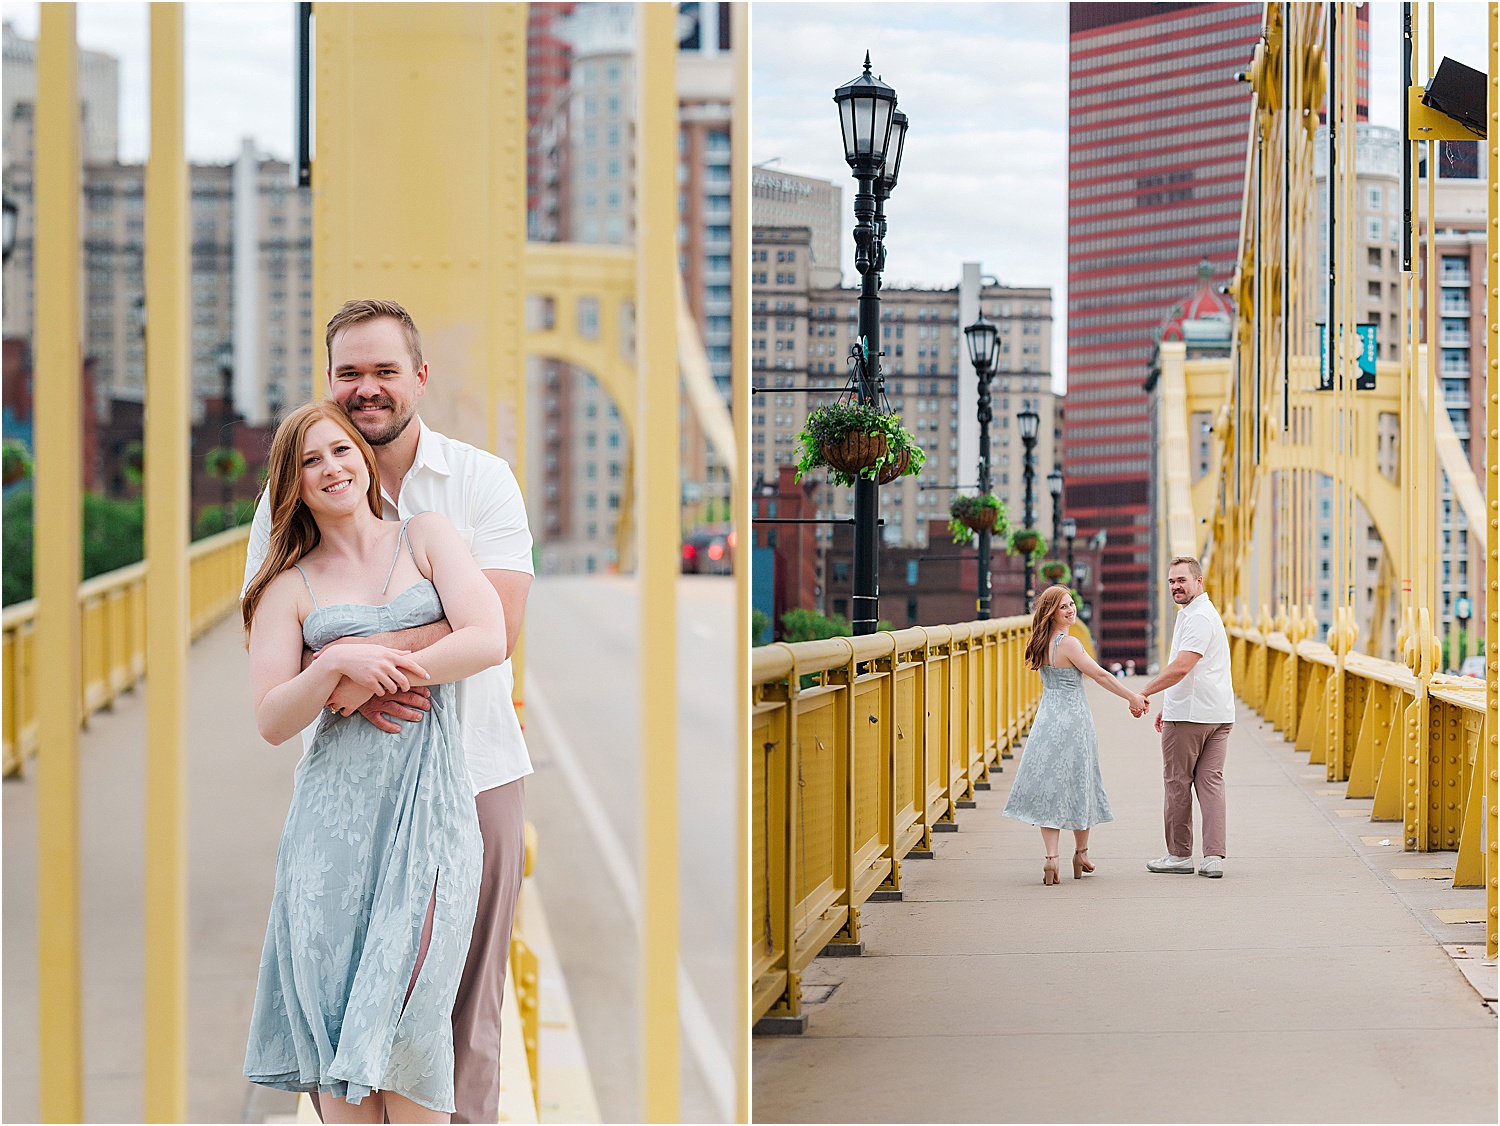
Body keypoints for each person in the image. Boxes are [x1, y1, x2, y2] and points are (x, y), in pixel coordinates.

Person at [242, 299, 535, 1123]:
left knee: (460, 1012)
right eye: (350, 375)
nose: (367, 389)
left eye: (384, 372)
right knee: (340, 1010)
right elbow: (275, 670)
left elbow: (498, 629)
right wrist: (340, 662)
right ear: (329, 384)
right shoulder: (282, 522)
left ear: (419, 378)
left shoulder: (473, 484)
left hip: (473, 773)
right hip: (345, 799)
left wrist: (367, 672)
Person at [1002, 586, 1146, 884]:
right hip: (1074, 721)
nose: (1071, 610)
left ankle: (1051, 858)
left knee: (1050, 786)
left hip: (1046, 719)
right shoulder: (1070, 644)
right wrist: (1131, 696)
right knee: (1081, 782)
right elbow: (1101, 675)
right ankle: (1080, 853)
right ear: (1051, 612)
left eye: (1071, 605)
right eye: (1063, 607)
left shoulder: (1039, 642)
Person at [1135, 555, 1236, 878]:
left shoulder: (1197, 618)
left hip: (1192, 717)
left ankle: (1179, 855)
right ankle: (1213, 857)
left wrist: (1146, 692)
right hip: (1217, 712)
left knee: (1177, 783)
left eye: (1182, 580)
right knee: (1210, 784)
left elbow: (1182, 666)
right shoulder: (1201, 614)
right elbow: (1197, 671)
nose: (1176, 586)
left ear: (1198, 581)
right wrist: (1171, 703)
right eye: (1171, 581)